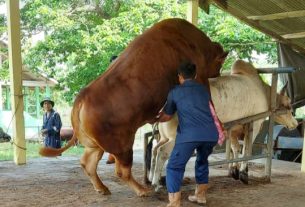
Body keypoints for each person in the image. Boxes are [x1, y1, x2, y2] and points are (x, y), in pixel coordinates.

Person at [156, 62, 222, 207]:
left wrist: (153, 118)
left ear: (179, 76)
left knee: (174, 167)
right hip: (211, 135)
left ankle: (174, 202)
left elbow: (167, 116)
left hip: (189, 136)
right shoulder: (203, 90)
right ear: (195, 75)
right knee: (202, 161)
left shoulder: (175, 91)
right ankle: (200, 196)